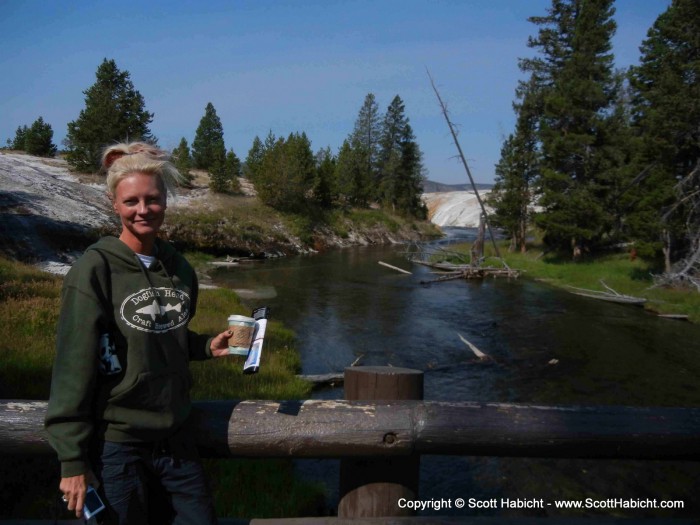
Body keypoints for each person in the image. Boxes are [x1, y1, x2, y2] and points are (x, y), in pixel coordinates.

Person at [45, 142, 233, 524]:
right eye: (131, 201)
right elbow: (73, 364)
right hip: (119, 444)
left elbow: (163, 332)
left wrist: (203, 345)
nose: (143, 210)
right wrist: (72, 460)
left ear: (166, 200)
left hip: (177, 438)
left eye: (152, 199)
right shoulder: (94, 270)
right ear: (115, 204)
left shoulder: (178, 267)